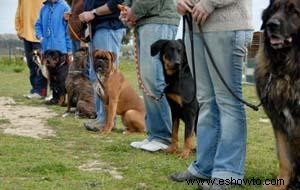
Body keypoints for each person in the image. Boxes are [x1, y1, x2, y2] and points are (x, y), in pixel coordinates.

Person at [170, 0, 253, 189]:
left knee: (228, 101)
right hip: (195, 27)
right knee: (205, 101)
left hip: (227, 24)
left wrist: (208, 3)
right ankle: (204, 167)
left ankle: (228, 172)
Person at [120, 1, 180, 151]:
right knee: (147, 80)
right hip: (145, 19)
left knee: (154, 79)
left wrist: (134, 10)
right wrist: (126, 9)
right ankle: (155, 134)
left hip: (158, 17)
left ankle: (164, 136)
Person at [78, 0, 125, 130]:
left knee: (108, 77)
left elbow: (116, 2)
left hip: (108, 26)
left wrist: (93, 12)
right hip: (95, 27)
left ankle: (107, 121)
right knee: (96, 76)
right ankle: (101, 117)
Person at [35, 0, 73, 104]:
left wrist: (69, 50)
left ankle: (64, 99)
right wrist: (40, 37)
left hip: (61, 50)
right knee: (51, 77)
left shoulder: (65, 7)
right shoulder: (44, 8)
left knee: (62, 77)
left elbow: (68, 29)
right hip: (47, 49)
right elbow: (38, 24)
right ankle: (55, 98)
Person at [15, 0, 48, 99]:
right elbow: (19, 12)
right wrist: (19, 29)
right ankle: (35, 89)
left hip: (39, 36)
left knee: (39, 65)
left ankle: (40, 91)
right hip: (26, 34)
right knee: (30, 64)